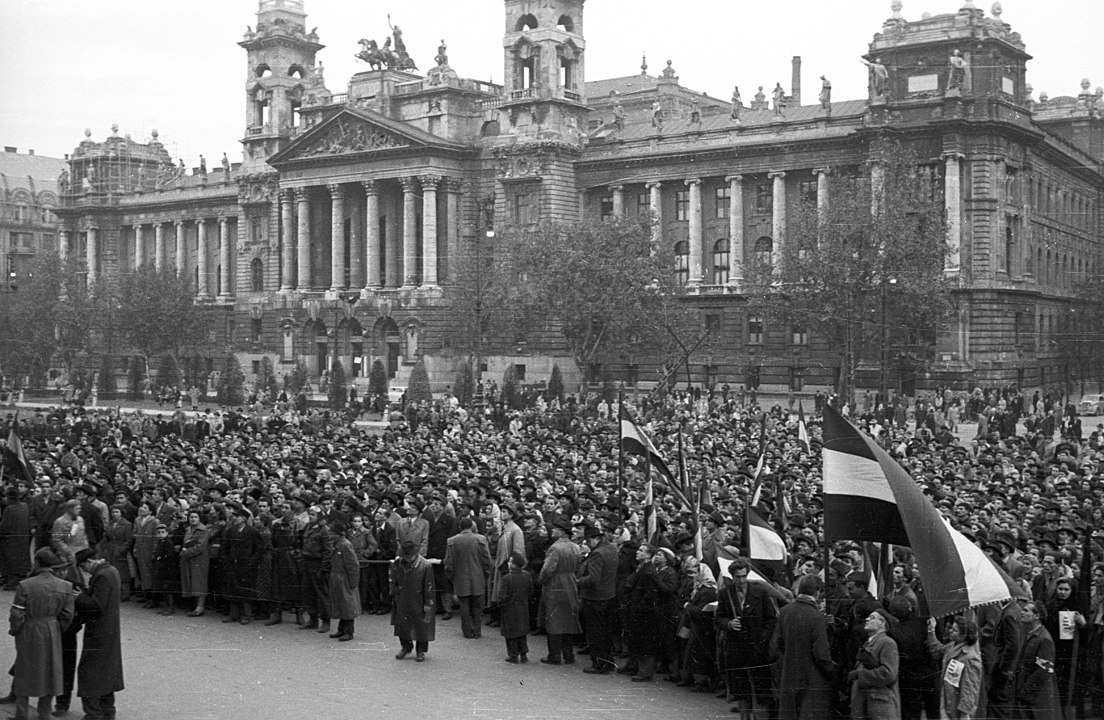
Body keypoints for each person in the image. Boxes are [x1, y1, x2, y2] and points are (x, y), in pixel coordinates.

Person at [7, 548, 75, 720]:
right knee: (51, 669)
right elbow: (68, 615)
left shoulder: (25, 585)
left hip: (29, 629)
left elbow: (17, 614)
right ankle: (44, 712)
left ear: (37, 563)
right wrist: (57, 628)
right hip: (52, 629)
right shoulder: (65, 586)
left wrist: (15, 630)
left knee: (24, 669)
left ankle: (21, 713)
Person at [717, 556, 777, 717]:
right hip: (737, 649)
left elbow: (771, 619)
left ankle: (760, 716)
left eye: (744, 576)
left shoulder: (760, 592)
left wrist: (762, 638)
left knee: (760, 686)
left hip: (757, 649)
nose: (741, 580)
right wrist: (729, 624)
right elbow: (719, 618)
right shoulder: (725, 594)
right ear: (732, 576)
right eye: (738, 577)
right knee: (741, 688)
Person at [771, 574, 835, 720]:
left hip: (788, 673)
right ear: (817, 592)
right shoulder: (816, 617)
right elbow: (821, 653)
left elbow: (776, 644)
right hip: (811, 676)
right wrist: (830, 670)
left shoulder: (785, 611)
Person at [74, 548, 124, 720]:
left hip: (99, 632)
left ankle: (93, 713)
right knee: (106, 672)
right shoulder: (111, 570)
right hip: (109, 630)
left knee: (89, 672)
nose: (84, 571)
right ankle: (108, 710)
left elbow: (96, 605)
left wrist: (78, 597)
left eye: (83, 567)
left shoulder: (102, 575)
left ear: (89, 562)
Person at [576, 521, 618, 675]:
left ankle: (599, 663)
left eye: (588, 541)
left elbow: (593, 579)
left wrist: (578, 581)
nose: (587, 544)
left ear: (595, 539)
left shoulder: (597, 553)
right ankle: (607, 661)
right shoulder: (611, 549)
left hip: (595, 597)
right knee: (605, 631)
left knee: (595, 632)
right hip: (609, 595)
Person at [538, 517, 582, 665]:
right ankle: (569, 655)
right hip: (571, 582)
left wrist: (542, 581)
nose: (553, 531)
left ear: (562, 532)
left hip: (556, 583)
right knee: (568, 619)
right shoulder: (575, 547)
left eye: (556, 529)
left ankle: (554, 655)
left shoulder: (555, 548)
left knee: (554, 619)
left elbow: (547, 569)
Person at [926, 615, 983, 720]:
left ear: (963, 636)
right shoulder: (953, 645)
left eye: (954, 630)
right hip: (949, 703)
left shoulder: (970, 658)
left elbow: (969, 690)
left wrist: (964, 713)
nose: (950, 631)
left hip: (957, 709)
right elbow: (938, 650)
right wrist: (931, 631)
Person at [443, 516, 491, 639]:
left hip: (460, 577)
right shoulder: (481, 539)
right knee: (477, 606)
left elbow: (448, 563)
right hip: (478, 576)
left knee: (464, 606)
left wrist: (452, 577)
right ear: (472, 526)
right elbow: (487, 560)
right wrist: (486, 574)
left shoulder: (452, 541)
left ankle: (467, 631)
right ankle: (477, 631)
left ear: (460, 527)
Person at [849, 608, 901, 720]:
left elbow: (889, 673)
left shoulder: (887, 643)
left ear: (882, 623)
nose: (867, 619)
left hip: (880, 705)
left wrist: (860, 675)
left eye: (872, 618)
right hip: (870, 704)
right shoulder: (870, 642)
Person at [390, 539, 435, 662]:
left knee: (421, 626)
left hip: (419, 598)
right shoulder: (398, 563)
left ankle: (420, 650)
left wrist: (428, 603)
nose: (407, 558)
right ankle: (405, 647)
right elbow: (393, 580)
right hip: (402, 597)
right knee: (402, 624)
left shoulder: (425, 565)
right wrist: (394, 595)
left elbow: (429, 586)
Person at [1015, 601, 1059, 720]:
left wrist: (1025, 691)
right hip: (1028, 695)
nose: (1022, 612)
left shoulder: (1044, 639)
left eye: (1026, 610)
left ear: (1037, 616)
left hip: (1038, 697)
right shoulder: (1028, 634)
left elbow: (1044, 671)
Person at [326, 520, 359, 642]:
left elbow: (353, 565)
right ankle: (341, 629)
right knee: (341, 604)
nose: (329, 534)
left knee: (347, 605)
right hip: (337, 577)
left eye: (332, 532)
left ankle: (349, 631)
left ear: (337, 533)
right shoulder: (338, 543)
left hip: (344, 578)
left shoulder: (345, 545)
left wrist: (353, 582)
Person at [499, 551, 532, 663]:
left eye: (510, 562)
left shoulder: (507, 578)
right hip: (523, 606)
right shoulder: (527, 575)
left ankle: (513, 655)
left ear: (514, 564)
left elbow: (502, 596)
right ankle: (523, 654)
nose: (508, 563)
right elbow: (530, 591)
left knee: (511, 633)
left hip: (510, 608)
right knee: (522, 632)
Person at [179, 510, 209, 617]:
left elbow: (201, 546)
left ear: (199, 518)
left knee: (199, 582)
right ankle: (194, 605)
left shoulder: (203, 530)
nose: (193, 519)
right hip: (189, 559)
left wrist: (185, 553)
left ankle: (200, 607)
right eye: (191, 517)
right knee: (191, 581)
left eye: (195, 517)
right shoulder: (188, 529)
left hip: (199, 559)